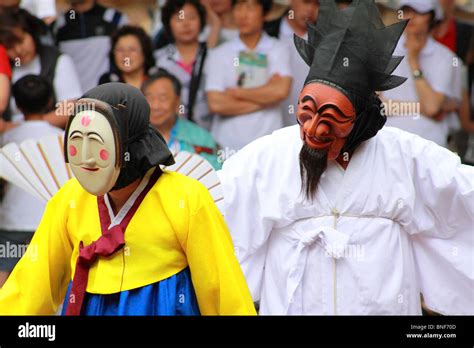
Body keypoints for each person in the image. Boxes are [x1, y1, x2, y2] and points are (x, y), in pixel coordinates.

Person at [217, 0, 474, 315]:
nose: (314, 130)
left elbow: (463, 193)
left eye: (332, 118)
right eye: (306, 113)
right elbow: (214, 213)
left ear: (361, 121)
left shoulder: (404, 155)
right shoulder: (267, 157)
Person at [0, 82, 256, 316]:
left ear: (129, 142)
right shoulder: (68, 199)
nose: (87, 157)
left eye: (96, 142)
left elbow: (221, 288)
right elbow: (31, 286)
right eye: (77, 141)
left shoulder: (187, 197)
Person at [0, 75, 63, 287]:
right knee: (49, 280)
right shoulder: (62, 137)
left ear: (16, 103)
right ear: (49, 101)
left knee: (4, 274)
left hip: (12, 218)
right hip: (48, 218)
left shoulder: (7, 138)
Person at [206, 0, 292, 152]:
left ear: (265, 13)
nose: (243, 14)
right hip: (228, 144)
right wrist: (267, 97)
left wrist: (237, 93)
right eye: (238, 7)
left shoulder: (278, 49)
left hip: (268, 142)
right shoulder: (219, 53)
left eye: (251, 7)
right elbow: (216, 104)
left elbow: (281, 92)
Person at [382, 0, 463, 147]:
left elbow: (432, 107)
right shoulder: (384, 51)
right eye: (406, 10)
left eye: (419, 12)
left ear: (432, 18)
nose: (411, 16)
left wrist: (413, 61)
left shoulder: (447, 58)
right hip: (387, 144)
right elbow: (379, 106)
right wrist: (422, 108)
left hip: (429, 147)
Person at [0, 8, 82, 128]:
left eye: (21, 41)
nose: (18, 50)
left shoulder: (57, 61)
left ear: (32, 34)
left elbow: (69, 109)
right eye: (10, 47)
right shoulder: (5, 69)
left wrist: (18, 128)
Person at [142, 70, 221, 169]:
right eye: (149, 98)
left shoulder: (200, 138)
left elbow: (214, 175)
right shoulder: (133, 138)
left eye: (163, 98)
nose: (155, 106)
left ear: (177, 101)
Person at [155, 0, 212, 130]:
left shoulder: (215, 57)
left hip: (211, 135)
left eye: (192, 17)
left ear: (201, 21)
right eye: (179, 18)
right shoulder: (158, 60)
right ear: (168, 23)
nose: (186, 24)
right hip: (170, 136)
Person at [264, 0, 319, 127]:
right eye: (306, 2)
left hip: (311, 126)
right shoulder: (265, 31)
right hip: (269, 126)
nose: (311, 9)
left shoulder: (327, 39)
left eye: (317, 4)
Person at [54, 0, 128, 92]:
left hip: (108, 96)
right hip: (71, 99)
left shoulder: (115, 19)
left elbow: (127, 59)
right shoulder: (59, 25)